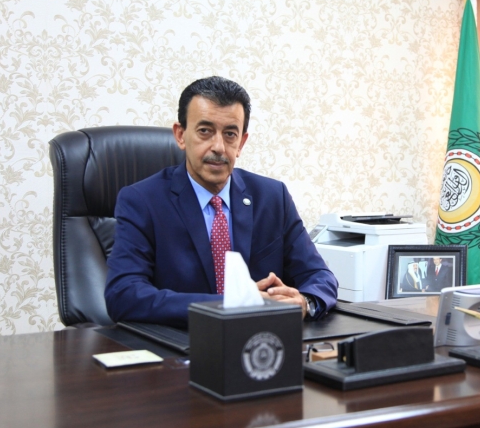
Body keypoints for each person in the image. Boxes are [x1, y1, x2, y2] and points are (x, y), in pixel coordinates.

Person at [105, 76, 338, 328]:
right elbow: (123, 294)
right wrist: (227, 305)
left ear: (241, 143)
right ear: (181, 135)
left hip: (261, 342)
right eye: (205, 131)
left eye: (229, 134)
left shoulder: (272, 197)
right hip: (182, 342)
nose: (218, 147)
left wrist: (305, 302)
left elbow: (319, 275)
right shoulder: (142, 201)